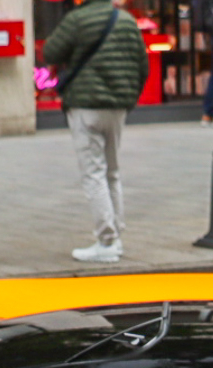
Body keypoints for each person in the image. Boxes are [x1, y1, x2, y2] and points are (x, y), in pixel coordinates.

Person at [41, 0, 145, 263]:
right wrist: (128, 97)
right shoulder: (126, 21)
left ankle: (106, 241)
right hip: (117, 108)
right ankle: (116, 236)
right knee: (112, 172)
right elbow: (142, 66)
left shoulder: (78, 19)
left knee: (94, 173)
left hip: (86, 106)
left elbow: (50, 52)